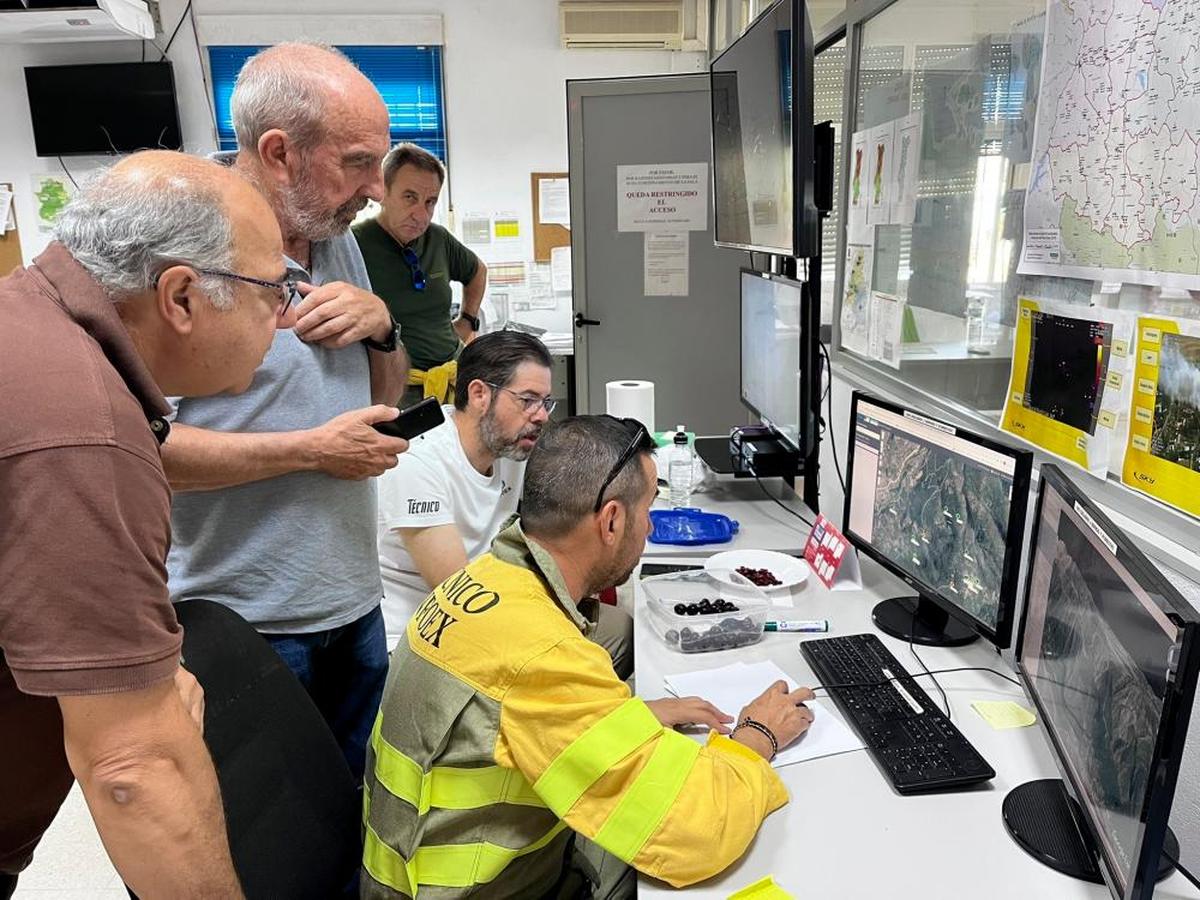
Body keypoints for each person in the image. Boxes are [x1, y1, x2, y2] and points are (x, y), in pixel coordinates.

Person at [0, 150, 295, 898]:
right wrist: (145, 714)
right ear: (182, 297)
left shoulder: (28, 325)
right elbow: (133, 768)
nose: (284, 317)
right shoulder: (81, 426)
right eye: (274, 291)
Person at [362, 416, 817, 898]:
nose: (649, 528)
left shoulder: (489, 578)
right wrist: (756, 737)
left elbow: (507, 718)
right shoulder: (542, 652)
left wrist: (626, 718)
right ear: (612, 520)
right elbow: (696, 833)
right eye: (649, 510)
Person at [163, 42, 409, 782]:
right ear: (278, 153)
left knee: (357, 820)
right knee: (272, 842)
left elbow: (384, 398)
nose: (377, 187)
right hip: (245, 623)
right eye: (359, 162)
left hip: (352, 602)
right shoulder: (179, 251)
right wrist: (310, 450)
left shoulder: (337, 238)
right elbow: (145, 451)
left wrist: (384, 326)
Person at [353, 142, 487, 406]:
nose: (421, 214)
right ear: (383, 192)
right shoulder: (354, 244)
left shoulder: (437, 239)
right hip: (397, 391)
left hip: (452, 378)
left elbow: (477, 271)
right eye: (410, 197)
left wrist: (468, 320)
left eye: (430, 202)